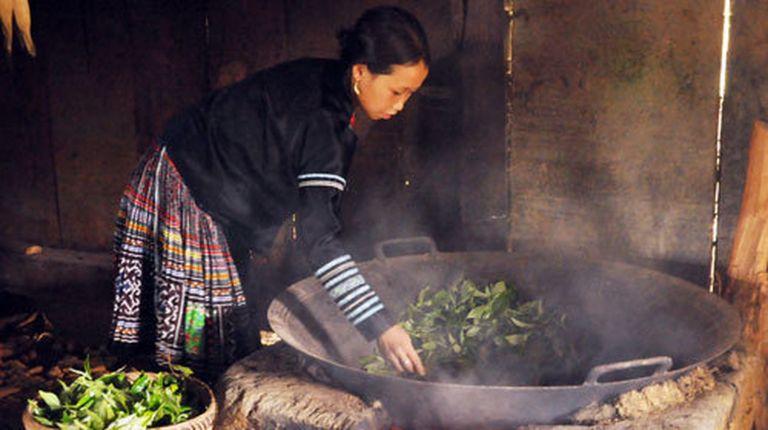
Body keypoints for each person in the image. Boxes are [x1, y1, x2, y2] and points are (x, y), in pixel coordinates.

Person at [108, 5, 429, 377]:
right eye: (397, 91)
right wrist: (381, 327)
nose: (401, 105)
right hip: (187, 185)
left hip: (199, 176)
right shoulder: (326, 125)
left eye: (409, 95)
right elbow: (319, 240)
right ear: (361, 72)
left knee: (227, 334)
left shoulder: (329, 80)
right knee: (199, 346)